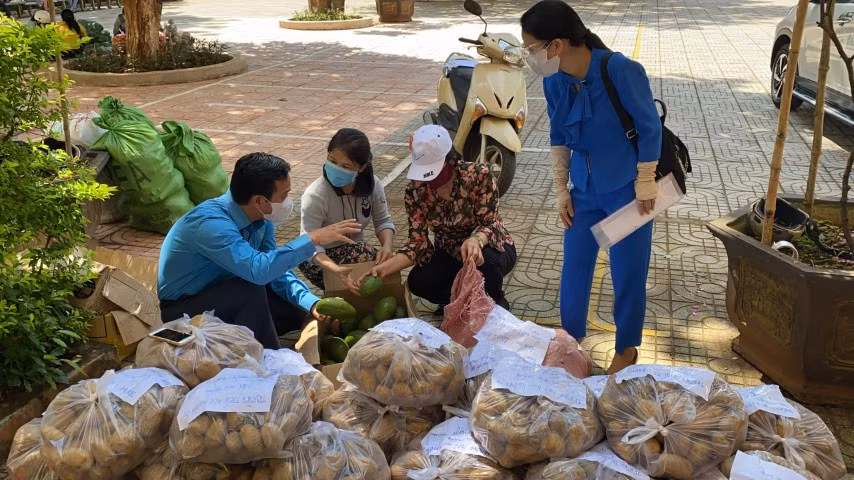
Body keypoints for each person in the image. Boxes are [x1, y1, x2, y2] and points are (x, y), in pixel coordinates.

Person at [520, 0, 662, 374]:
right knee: (575, 267)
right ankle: (570, 342)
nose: (530, 57)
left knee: (627, 272)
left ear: (557, 45)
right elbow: (557, 132)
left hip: (627, 193)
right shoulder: (555, 80)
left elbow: (650, 127)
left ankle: (627, 348)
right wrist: (561, 189)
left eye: (532, 48)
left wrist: (646, 180)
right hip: (583, 194)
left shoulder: (619, 70)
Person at [157, 152, 362, 349]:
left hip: (226, 293)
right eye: (284, 195)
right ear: (259, 201)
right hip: (183, 311)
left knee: (297, 309)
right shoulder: (211, 225)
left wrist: (312, 304)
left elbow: (276, 271)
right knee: (251, 287)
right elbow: (259, 270)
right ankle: (271, 361)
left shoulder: (260, 218)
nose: (288, 201)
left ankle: (256, 336)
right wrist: (312, 239)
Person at [364, 125, 516, 311]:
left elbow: (491, 222)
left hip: (489, 247)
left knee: (486, 262)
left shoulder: (478, 175)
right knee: (418, 281)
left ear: (450, 160)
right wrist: (387, 267)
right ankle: (459, 301)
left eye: (434, 171)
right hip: (450, 253)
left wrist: (476, 240)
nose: (429, 181)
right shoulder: (415, 191)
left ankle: (494, 303)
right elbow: (419, 243)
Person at [299, 128, 396, 292]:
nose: (336, 169)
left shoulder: (373, 185)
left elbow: (383, 221)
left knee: (384, 262)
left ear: (361, 167)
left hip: (354, 249)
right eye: (332, 161)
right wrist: (334, 269)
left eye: (345, 166)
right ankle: (336, 288)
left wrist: (387, 247)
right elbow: (307, 243)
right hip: (318, 257)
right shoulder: (315, 195)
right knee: (365, 255)